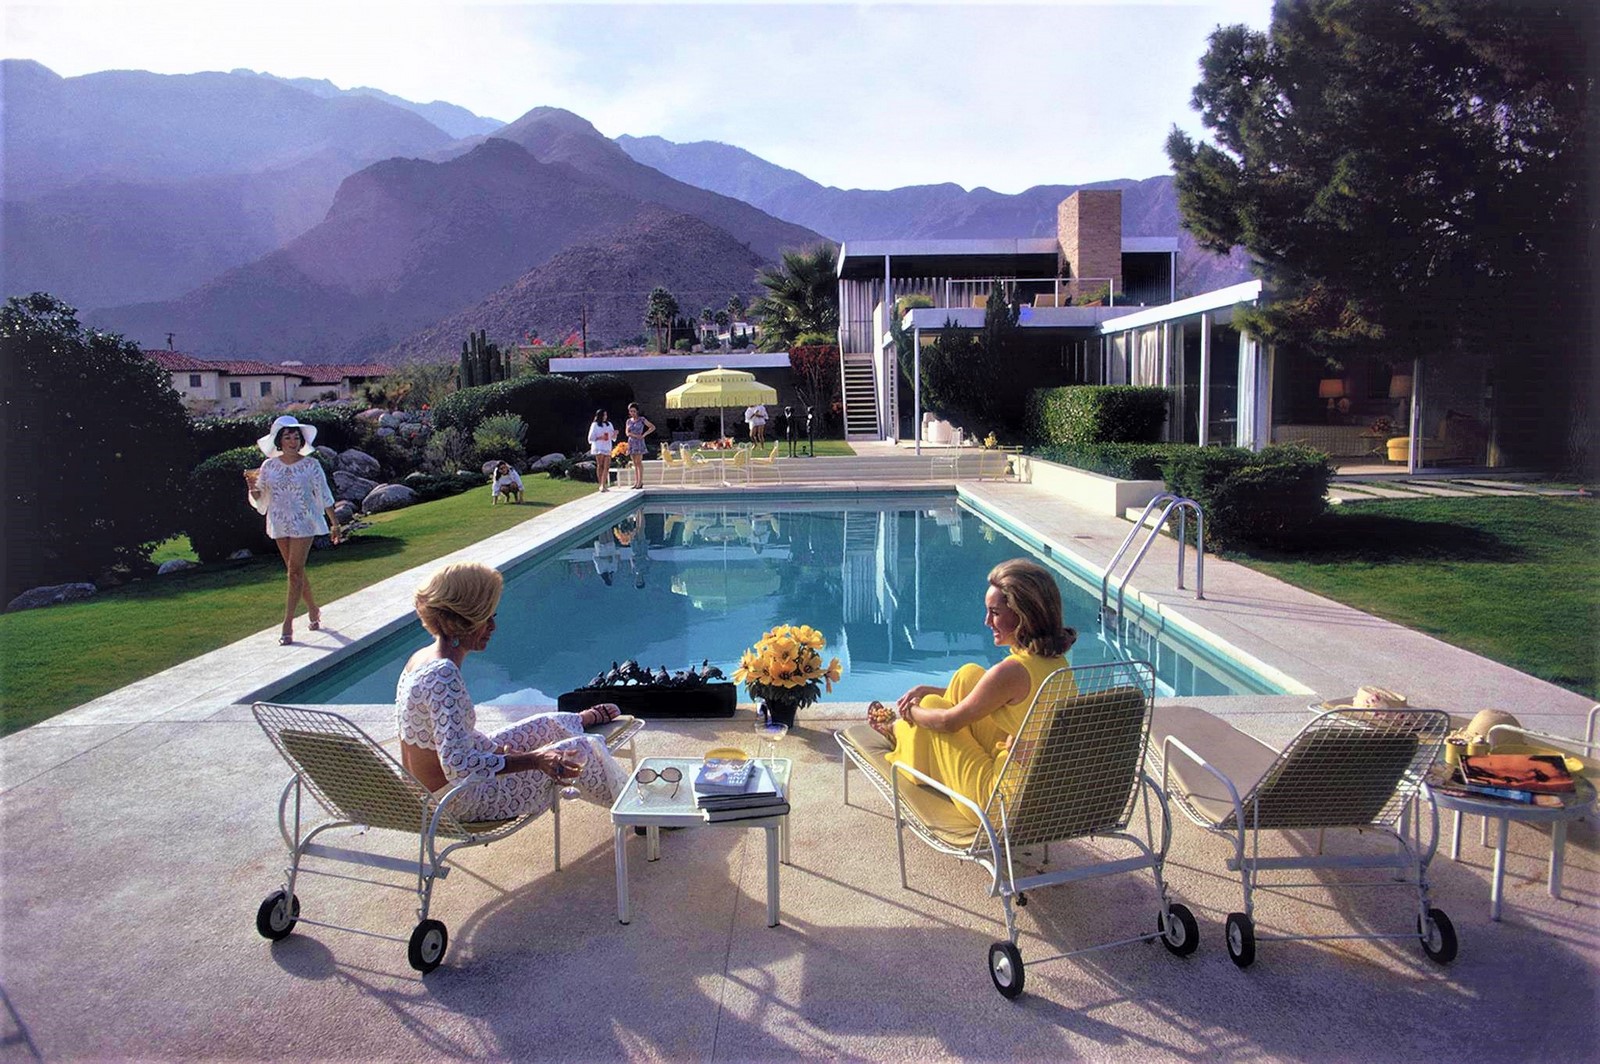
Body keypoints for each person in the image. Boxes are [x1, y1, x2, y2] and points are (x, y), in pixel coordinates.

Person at [396, 562, 627, 821]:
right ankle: (638, 811)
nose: (493, 627)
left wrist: (499, 752)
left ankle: (579, 720)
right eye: (487, 617)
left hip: (432, 792)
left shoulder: (421, 659)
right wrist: (535, 759)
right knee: (582, 748)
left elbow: (450, 736)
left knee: (545, 724)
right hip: (457, 801)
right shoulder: (443, 674)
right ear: (464, 619)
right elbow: (457, 765)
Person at [870, 558, 1078, 825]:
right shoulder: (1055, 662)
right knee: (968, 675)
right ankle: (912, 737)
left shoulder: (1012, 671)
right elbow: (991, 693)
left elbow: (949, 721)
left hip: (998, 801)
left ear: (1023, 614)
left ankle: (899, 730)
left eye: (995, 612)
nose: (987, 621)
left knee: (934, 706)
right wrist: (927, 689)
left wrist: (911, 710)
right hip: (1040, 789)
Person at [246, 414, 341, 645]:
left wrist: (334, 523)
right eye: (288, 437)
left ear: (301, 440)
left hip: (304, 521)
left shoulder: (312, 465)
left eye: (296, 436)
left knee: (294, 571)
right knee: (295, 571)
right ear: (280, 441)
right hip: (279, 521)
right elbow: (261, 498)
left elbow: (324, 496)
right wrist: (252, 487)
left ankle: (287, 623)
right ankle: (313, 609)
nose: (292, 441)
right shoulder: (269, 466)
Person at [623, 403, 656, 490]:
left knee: (639, 462)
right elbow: (627, 432)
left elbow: (652, 427)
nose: (632, 413)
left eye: (634, 411)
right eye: (631, 411)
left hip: (639, 442)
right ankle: (636, 481)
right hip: (631, 442)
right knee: (634, 462)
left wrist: (644, 434)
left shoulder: (642, 419)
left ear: (637, 411)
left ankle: (640, 482)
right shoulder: (629, 421)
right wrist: (634, 435)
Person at [588, 409, 616, 492]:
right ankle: (601, 484)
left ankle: (604, 484)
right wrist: (600, 437)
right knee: (600, 465)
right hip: (599, 446)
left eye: (606, 415)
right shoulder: (595, 425)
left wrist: (614, 434)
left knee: (606, 466)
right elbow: (591, 438)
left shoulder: (609, 424)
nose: (605, 417)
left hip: (607, 447)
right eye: (604, 415)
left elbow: (613, 437)